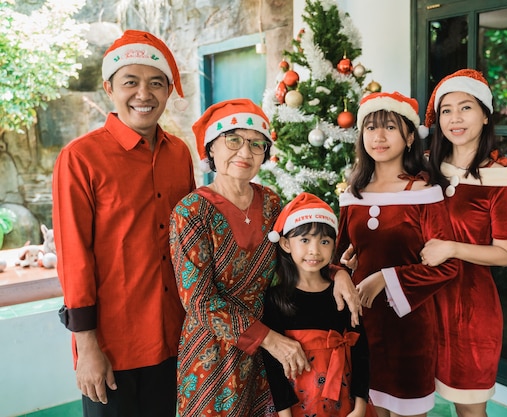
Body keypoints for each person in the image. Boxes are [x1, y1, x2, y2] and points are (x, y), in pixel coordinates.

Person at [169, 99, 360, 416]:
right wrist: (268, 339)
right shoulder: (191, 211)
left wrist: (338, 272)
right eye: (233, 140)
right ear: (211, 149)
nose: (245, 153)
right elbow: (199, 301)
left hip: (271, 349)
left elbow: (299, 250)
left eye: (257, 144)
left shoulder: (270, 202)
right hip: (215, 354)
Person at [52, 30, 196, 417]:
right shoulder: (80, 159)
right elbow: (74, 258)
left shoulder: (179, 154)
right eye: (130, 82)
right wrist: (87, 348)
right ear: (109, 88)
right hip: (113, 348)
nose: (143, 94)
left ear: (168, 90)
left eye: (155, 83)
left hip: (177, 339)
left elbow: (191, 244)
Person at [334, 91, 460, 417]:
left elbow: (447, 267)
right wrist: (342, 271)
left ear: (408, 137)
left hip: (410, 328)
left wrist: (384, 279)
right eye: (370, 128)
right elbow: (336, 258)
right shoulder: (352, 196)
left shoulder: (425, 192)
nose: (378, 137)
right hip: (361, 324)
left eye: (389, 127)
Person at [419, 69, 507, 417]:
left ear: (485, 114)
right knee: (409, 403)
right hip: (421, 301)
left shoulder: (500, 178)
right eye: (446, 110)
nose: (455, 118)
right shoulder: (426, 168)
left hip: (470, 309)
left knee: (470, 410)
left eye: (466, 107)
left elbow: (506, 254)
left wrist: (452, 248)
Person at [262, 192, 375, 417]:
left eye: (324, 241)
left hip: (345, 405)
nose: (314, 250)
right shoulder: (276, 298)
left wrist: (360, 406)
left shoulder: (343, 293)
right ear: (285, 243)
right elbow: (273, 366)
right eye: (304, 240)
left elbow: (361, 352)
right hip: (297, 406)